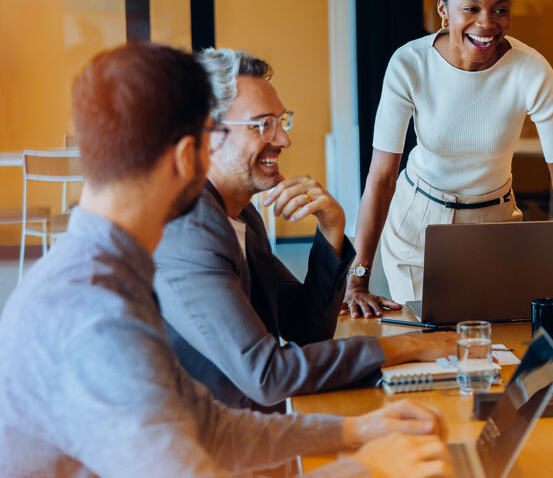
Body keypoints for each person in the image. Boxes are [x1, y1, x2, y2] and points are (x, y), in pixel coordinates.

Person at [0, 43, 451, 478]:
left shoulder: (107, 270)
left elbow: (209, 427)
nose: (284, 138)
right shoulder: (98, 316)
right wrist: (368, 467)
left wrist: (355, 431)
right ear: (187, 157)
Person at [153, 48, 454, 412]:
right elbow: (267, 374)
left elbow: (306, 329)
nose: (283, 139)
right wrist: (409, 345)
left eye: (281, 121)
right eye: (264, 124)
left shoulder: (241, 215)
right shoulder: (187, 231)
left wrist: (332, 229)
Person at [343, 0, 553, 316]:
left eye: (500, 9)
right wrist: (357, 280)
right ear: (444, 9)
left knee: (498, 336)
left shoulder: (531, 70)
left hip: (496, 223)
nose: (486, 23)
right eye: (470, 9)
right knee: (429, 335)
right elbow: (381, 179)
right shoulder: (410, 63)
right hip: (418, 225)